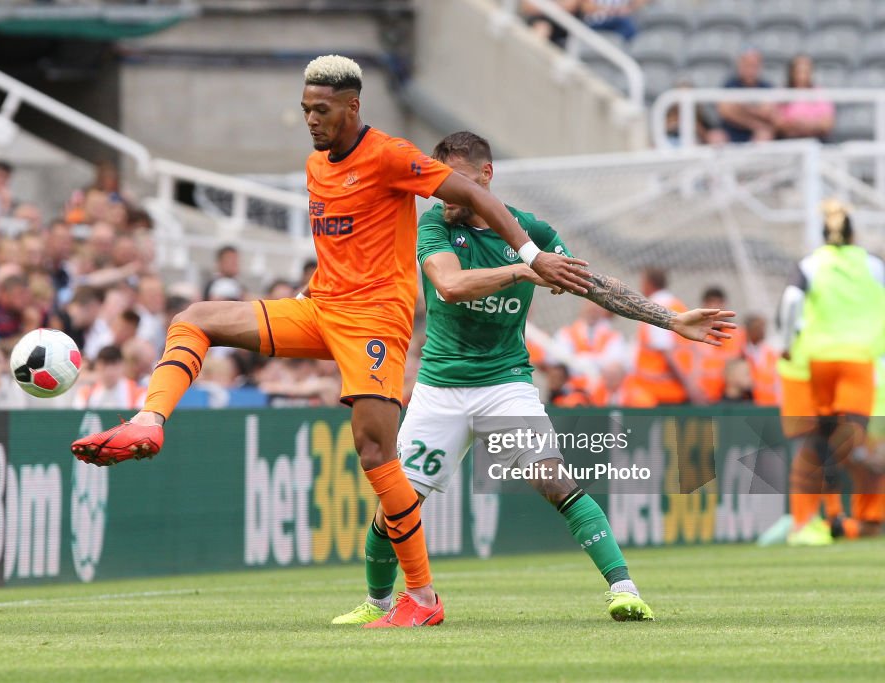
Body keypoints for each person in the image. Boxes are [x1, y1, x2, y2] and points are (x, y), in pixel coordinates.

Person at [72, 55, 597, 629]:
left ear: (353, 107)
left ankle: (420, 599)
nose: (311, 120)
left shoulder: (392, 155)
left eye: (321, 110)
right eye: (305, 109)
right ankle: (150, 420)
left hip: (374, 322)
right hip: (321, 310)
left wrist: (531, 256)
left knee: (376, 454)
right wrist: (307, 292)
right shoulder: (316, 164)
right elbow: (338, 244)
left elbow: (478, 198)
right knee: (194, 318)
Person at [331, 131, 734, 626]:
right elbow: (450, 285)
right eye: (437, 181)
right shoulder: (434, 224)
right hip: (440, 388)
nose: (442, 191)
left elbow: (593, 286)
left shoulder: (531, 231)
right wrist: (522, 271)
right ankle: (376, 603)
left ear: (485, 177)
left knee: (552, 477)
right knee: (396, 502)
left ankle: (624, 589)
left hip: (506, 384)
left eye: (453, 180)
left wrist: (670, 320)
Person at [778, 200, 885, 545]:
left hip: (818, 361)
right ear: (853, 232)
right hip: (860, 360)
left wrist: (786, 340)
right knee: (850, 441)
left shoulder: (811, 264)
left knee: (820, 440)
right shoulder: (873, 264)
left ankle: (821, 519)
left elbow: (792, 301)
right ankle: (829, 518)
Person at [632, 268, 700, 404]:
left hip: (658, 393)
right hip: (677, 391)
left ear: (649, 284)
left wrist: (690, 387)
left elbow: (667, 352)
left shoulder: (655, 308)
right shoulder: (678, 305)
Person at [718, 48, 776, 144]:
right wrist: (756, 124)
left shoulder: (766, 86)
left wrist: (739, 109)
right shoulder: (730, 84)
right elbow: (725, 111)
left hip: (756, 133)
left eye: (753, 65)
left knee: (765, 134)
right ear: (740, 65)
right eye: (746, 65)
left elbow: (767, 112)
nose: (750, 69)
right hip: (731, 131)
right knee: (716, 137)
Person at [775, 55, 835, 142]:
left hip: (815, 140)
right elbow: (777, 122)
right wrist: (796, 125)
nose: (802, 75)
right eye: (799, 71)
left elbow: (828, 123)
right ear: (792, 72)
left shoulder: (819, 93)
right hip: (789, 140)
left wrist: (808, 125)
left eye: (806, 71)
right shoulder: (783, 93)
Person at [73, 345, 146, 410]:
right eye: (104, 365)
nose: (109, 371)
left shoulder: (138, 394)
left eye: (114, 364)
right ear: (97, 366)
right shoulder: (85, 394)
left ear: (122, 365)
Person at [581, 0, 649, 42]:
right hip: (595, 22)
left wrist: (629, 8)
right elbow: (583, 6)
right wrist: (608, 10)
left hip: (621, 20)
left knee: (629, 28)